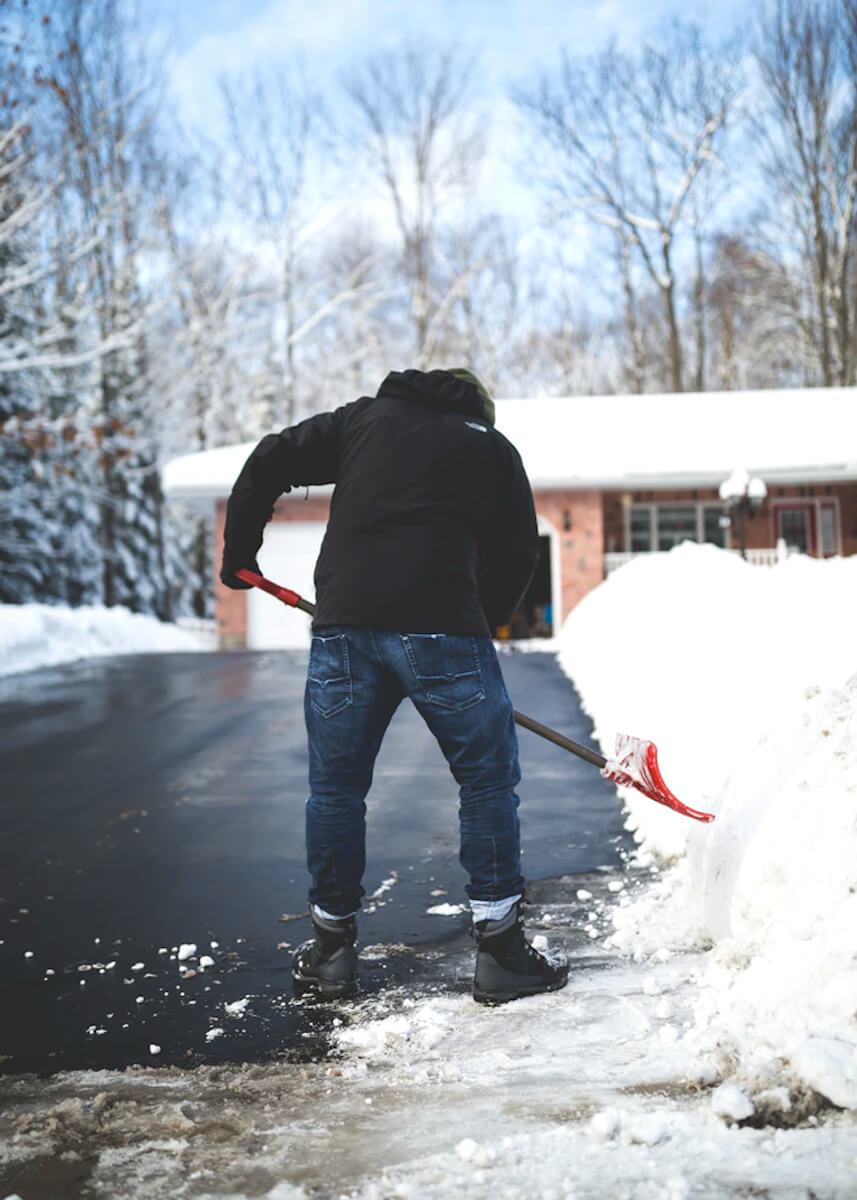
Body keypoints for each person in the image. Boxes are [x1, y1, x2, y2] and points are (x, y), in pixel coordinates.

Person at [221, 367, 568, 1005]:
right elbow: (520, 549)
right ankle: (500, 952)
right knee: (486, 781)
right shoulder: (491, 447)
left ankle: (330, 951)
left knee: (335, 789)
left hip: (345, 627)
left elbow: (271, 456)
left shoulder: (361, 422)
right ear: (479, 408)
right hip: (444, 629)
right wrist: (472, 622)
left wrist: (239, 550)